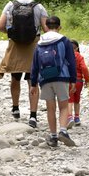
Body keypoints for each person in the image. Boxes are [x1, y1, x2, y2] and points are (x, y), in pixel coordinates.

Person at [0, 0, 49, 127]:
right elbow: (46, 29)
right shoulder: (39, 6)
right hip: (33, 46)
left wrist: (10, 32)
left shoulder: (10, 5)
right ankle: (33, 116)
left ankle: (16, 108)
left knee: (15, 78)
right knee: (32, 80)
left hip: (15, 45)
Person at [30, 15, 77, 148]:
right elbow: (71, 61)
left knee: (50, 108)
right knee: (63, 107)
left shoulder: (39, 43)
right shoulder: (64, 40)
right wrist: (73, 79)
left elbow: (34, 65)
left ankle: (53, 136)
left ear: (46, 27)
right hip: (61, 77)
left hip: (45, 79)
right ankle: (63, 130)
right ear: (59, 27)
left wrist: (33, 84)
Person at [67, 40, 89, 128]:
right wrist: (87, 79)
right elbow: (84, 68)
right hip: (79, 81)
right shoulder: (79, 56)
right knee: (77, 99)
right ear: (77, 48)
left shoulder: (66, 56)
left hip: (68, 81)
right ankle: (77, 118)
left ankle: (70, 117)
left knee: (69, 99)